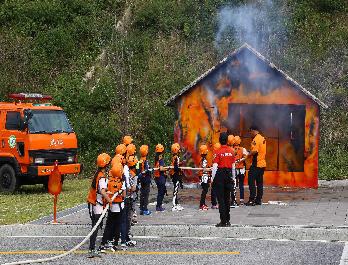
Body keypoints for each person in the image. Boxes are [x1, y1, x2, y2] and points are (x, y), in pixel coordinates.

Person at [86, 153, 112, 258]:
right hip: (96, 204)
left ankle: (93, 248)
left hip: (97, 203)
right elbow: (101, 191)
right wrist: (109, 199)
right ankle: (91, 249)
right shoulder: (101, 176)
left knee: (96, 225)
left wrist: (108, 193)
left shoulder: (99, 174)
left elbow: (102, 189)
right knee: (95, 226)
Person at [98, 162, 126, 252]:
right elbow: (124, 195)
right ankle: (115, 243)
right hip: (119, 206)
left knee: (109, 225)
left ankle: (104, 243)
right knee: (118, 225)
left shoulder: (108, 181)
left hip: (111, 206)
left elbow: (106, 191)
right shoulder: (122, 182)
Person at [211, 132, 235, 227]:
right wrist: (233, 178)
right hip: (229, 175)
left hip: (220, 176)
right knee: (227, 198)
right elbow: (233, 167)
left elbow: (215, 167)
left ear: (220, 140)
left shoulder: (217, 152)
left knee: (221, 199)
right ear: (227, 141)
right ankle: (228, 220)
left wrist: (213, 179)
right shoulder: (232, 151)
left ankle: (223, 221)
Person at [120, 155, 137, 249]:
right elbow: (131, 188)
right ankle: (124, 239)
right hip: (127, 199)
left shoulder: (122, 171)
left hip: (121, 199)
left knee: (122, 220)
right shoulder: (131, 175)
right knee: (126, 220)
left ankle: (123, 238)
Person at [246, 126, 266, 206]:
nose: (250, 133)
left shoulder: (256, 139)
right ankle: (258, 200)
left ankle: (252, 200)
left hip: (256, 164)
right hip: (262, 164)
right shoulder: (262, 138)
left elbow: (254, 151)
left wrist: (248, 154)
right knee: (259, 183)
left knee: (251, 181)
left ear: (253, 131)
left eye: (250, 132)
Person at [233, 136, 248, 205]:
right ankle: (241, 200)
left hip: (235, 169)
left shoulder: (232, 149)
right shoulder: (243, 149)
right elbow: (245, 157)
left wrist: (236, 161)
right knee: (241, 184)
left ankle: (234, 199)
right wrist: (240, 160)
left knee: (235, 184)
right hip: (242, 169)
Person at [169, 143, 184, 211]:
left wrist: (180, 164)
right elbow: (175, 167)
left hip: (175, 175)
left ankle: (176, 203)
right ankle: (174, 205)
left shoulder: (174, 157)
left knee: (176, 189)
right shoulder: (176, 157)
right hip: (176, 175)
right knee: (175, 190)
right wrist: (180, 168)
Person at [138, 145, 152, 215]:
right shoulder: (145, 161)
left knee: (142, 194)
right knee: (145, 195)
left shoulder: (139, 160)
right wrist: (150, 170)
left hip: (142, 180)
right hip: (146, 180)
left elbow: (138, 170)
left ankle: (141, 208)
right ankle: (145, 210)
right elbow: (147, 170)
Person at [154, 144, 166, 212]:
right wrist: (167, 169)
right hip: (161, 177)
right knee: (161, 192)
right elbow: (161, 168)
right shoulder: (161, 159)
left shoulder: (156, 158)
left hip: (157, 177)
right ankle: (159, 206)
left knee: (160, 192)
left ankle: (158, 205)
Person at [198, 144, 211, 211]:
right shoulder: (203, 160)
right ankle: (201, 205)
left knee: (205, 190)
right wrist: (210, 169)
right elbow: (204, 169)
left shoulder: (202, 159)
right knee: (204, 190)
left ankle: (203, 203)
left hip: (204, 176)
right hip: (204, 176)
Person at [228, 135, 238, 208]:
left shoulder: (224, 149)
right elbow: (233, 164)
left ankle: (227, 200)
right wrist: (234, 176)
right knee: (233, 187)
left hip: (225, 170)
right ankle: (233, 201)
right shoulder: (233, 150)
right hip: (231, 170)